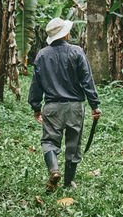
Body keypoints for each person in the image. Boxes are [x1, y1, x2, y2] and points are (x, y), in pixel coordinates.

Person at [28, 17, 101, 192]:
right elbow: (87, 81)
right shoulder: (77, 52)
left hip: (52, 107)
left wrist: (36, 107)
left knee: (49, 142)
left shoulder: (42, 55)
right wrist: (94, 105)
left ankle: (54, 171)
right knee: (73, 145)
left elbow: (36, 84)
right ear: (66, 34)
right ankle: (68, 182)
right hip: (75, 107)